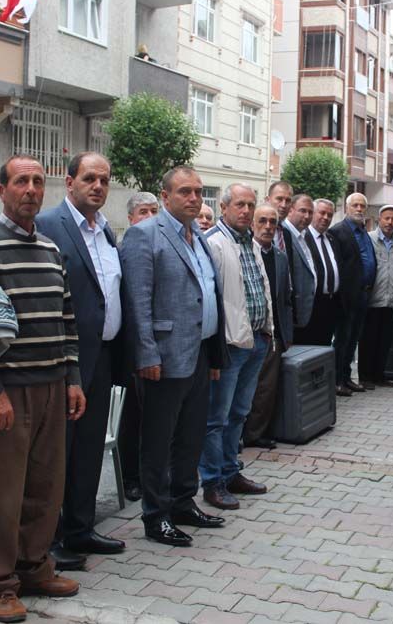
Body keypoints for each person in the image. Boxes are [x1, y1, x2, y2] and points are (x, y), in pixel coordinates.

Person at [0, 156, 86, 622]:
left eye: (37, 181)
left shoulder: (49, 248)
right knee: (1, 496)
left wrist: (72, 378)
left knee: (45, 489)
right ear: (2, 189)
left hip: (52, 386)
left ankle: (34, 567)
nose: (31, 189)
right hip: (8, 391)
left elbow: (66, 319)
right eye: (21, 181)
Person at [119, 166, 227, 546]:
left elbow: (206, 293)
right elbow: (137, 301)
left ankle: (183, 502)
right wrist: (146, 353)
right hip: (163, 358)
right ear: (165, 196)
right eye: (185, 191)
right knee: (158, 440)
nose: (194, 198)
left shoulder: (198, 235)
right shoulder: (144, 234)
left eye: (198, 191)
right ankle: (156, 515)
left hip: (199, 351)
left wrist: (214, 355)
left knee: (191, 435)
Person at [34, 152, 126, 569]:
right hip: (65, 360)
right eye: (89, 178)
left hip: (102, 357)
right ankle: (49, 539)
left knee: (89, 448)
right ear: (69, 182)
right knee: (58, 452)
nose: (98, 186)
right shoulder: (48, 226)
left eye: (104, 180)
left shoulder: (105, 230)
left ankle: (81, 528)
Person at [201, 183, 274, 509]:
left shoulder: (251, 243)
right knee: (216, 418)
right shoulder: (213, 243)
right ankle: (212, 482)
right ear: (224, 207)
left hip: (256, 340)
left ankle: (231, 472)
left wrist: (268, 332)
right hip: (229, 345)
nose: (246, 211)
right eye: (239, 205)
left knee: (239, 414)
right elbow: (210, 299)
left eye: (250, 205)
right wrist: (215, 348)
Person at [118, 191, 160, 502]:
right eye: (143, 212)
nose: (149, 218)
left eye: (154, 211)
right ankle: (129, 477)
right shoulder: (128, 246)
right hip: (132, 346)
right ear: (131, 218)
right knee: (131, 416)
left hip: (158, 344)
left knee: (153, 418)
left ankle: (150, 475)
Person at [245, 204, 294, 451]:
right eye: (262, 221)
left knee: (266, 389)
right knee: (241, 389)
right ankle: (236, 435)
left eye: (272, 222)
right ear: (252, 224)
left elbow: (285, 298)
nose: (267, 227)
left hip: (271, 335)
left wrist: (286, 335)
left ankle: (255, 434)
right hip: (244, 334)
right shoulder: (244, 253)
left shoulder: (281, 257)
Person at [329, 193, 376, 395]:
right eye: (355, 205)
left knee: (353, 339)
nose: (359, 209)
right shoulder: (337, 231)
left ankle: (347, 377)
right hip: (346, 298)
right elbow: (337, 266)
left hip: (363, 295)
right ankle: (337, 380)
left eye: (362, 206)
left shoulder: (364, 231)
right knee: (342, 340)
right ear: (347, 208)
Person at [360, 204, 393, 386]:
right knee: (368, 340)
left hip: (391, 298)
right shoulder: (368, 239)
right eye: (386, 218)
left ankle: (379, 375)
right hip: (373, 298)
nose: (389, 222)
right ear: (379, 219)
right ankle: (365, 377)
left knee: (385, 340)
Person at [298, 199, 341, 347]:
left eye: (329, 215)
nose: (326, 218)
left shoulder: (332, 239)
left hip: (331, 305)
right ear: (313, 213)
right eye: (322, 213)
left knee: (325, 348)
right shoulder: (302, 238)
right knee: (309, 349)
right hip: (311, 306)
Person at [283, 193, 316, 332]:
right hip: (292, 315)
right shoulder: (283, 234)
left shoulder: (305, 236)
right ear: (290, 210)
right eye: (302, 211)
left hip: (307, 312)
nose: (307, 216)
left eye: (310, 212)